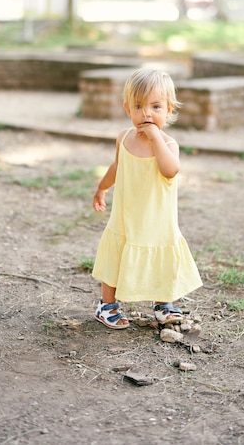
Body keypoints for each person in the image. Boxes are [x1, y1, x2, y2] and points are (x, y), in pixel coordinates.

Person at [92, 67, 202, 329]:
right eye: (138, 106)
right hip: (127, 216)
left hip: (157, 219)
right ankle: (107, 305)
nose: (146, 114)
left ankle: (163, 303)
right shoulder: (125, 138)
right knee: (116, 256)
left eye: (155, 106)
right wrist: (102, 187)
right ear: (127, 109)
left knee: (162, 257)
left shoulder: (168, 144)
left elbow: (170, 169)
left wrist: (155, 139)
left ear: (169, 109)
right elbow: (117, 167)